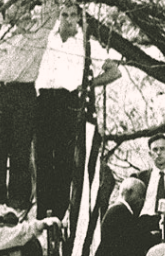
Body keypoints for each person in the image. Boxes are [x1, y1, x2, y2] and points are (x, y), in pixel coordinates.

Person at [33, 1, 120, 218]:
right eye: (65, 14)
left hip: (68, 100)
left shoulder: (85, 43)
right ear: (57, 16)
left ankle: (60, 213)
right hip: (42, 99)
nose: (69, 19)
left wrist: (88, 84)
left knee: (64, 159)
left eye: (73, 15)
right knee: (42, 157)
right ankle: (43, 211)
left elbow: (114, 71)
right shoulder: (44, 38)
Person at [0, 0, 57, 211]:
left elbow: (54, 7)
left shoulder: (40, 28)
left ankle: (17, 207)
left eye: (24, 4)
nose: (18, 8)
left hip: (23, 93)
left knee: (20, 153)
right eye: (13, 5)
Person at [95, 178, 147, 256]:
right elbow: (133, 244)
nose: (141, 200)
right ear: (128, 193)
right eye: (140, 195)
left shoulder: (119, 210)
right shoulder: (120, 212)